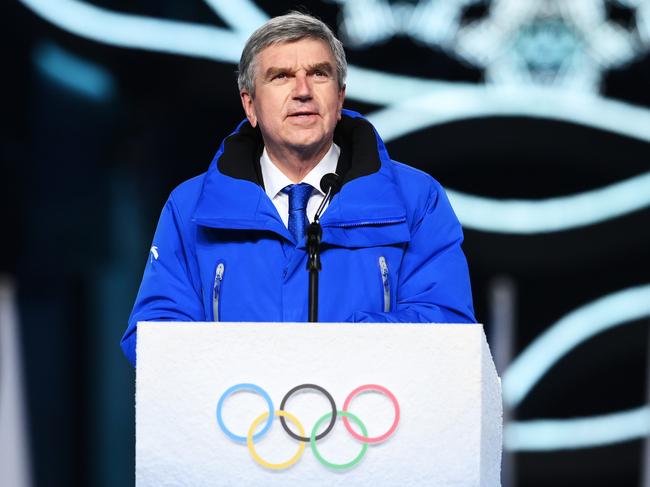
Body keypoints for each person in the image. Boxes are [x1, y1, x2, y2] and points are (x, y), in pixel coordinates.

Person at [120, 12, 475, 366]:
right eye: (281, 76)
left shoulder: (416, 198)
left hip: (372, 417)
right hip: (235, 417)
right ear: (250, 104)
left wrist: (332, 347)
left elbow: (447, 327)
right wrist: (264, 360)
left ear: (339, 99)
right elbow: (154, 338)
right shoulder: (190, 206)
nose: (302, 91)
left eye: (319, 74)